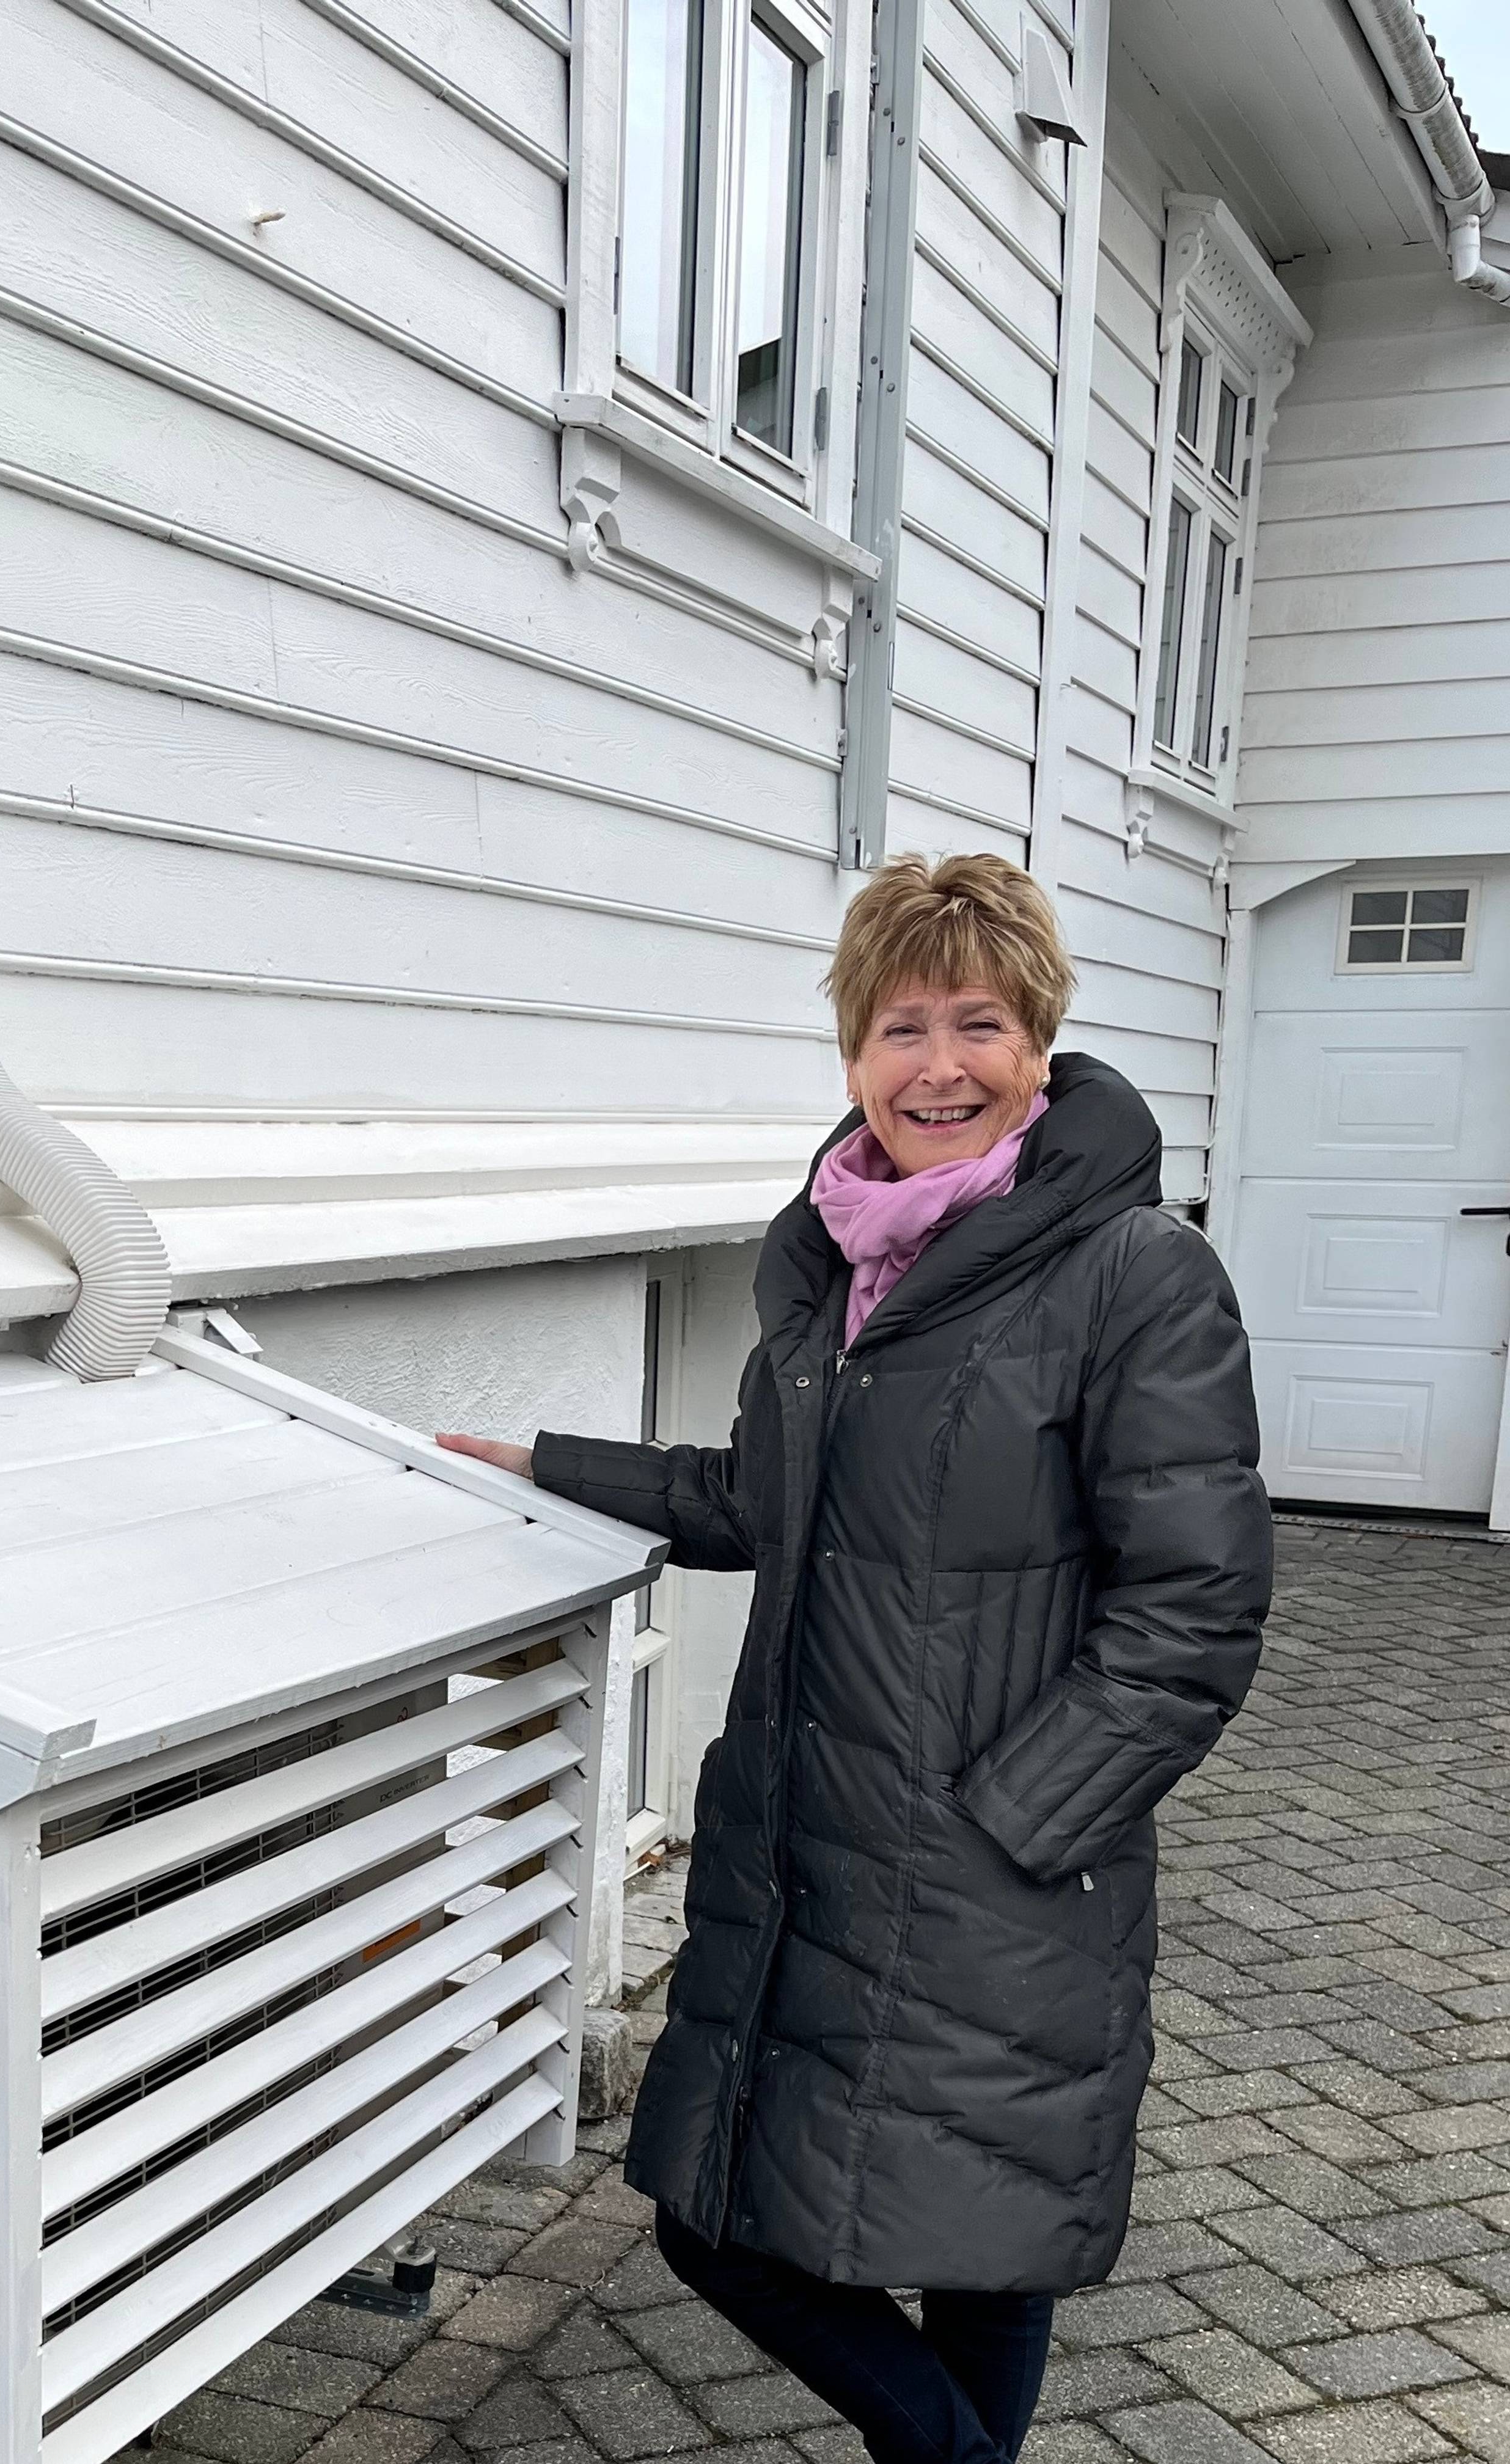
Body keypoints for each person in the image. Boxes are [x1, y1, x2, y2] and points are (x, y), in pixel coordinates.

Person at [439, 852, 1272, 2464]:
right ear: (852, 1052)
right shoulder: (829, 1265)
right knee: (717, 2221)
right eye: (903, 1026)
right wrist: (544, 1467)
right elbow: (757, 1499)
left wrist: (1019, 1818)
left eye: (981, 1023)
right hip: (812, 1849)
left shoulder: (1131, 1271)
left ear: (1040, 1045)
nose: (940, 1065)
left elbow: (1197, 1605)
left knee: (983, 2244)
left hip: (999, 1870)